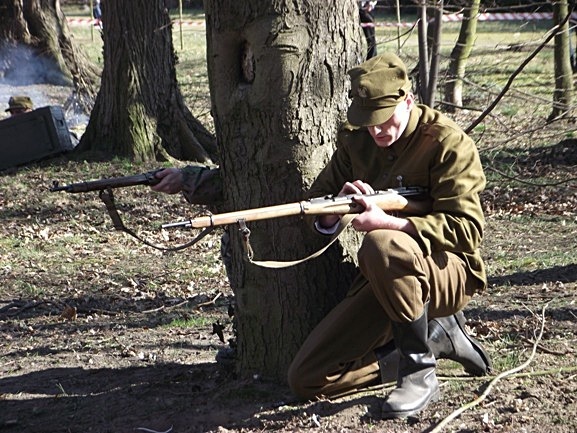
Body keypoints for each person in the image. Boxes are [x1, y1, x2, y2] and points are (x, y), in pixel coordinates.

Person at [287, 53, 492, 419]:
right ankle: (431, 339)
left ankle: (419, 372)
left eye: (385, 119)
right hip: (387, 278)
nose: (377, 130)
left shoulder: (447, 143)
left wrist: (390, 222)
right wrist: (332, 214)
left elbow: (466, 230)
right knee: (308, 379)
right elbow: (314, 205)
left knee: (382, 243)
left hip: (448, 271)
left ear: (407, 101)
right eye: (368, 123)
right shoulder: (357, 143)